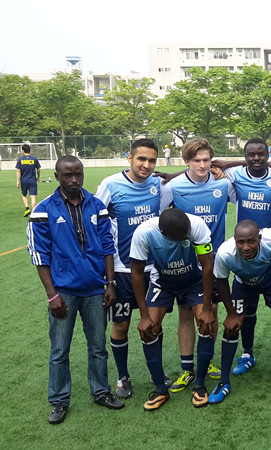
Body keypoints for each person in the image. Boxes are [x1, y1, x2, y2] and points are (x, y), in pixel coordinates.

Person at [27, 155, 125, 424]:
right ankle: (59, 400)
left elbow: (108, 246)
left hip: (95, 290)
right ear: (57, 176)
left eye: (78, 174)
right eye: (68, 175)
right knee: (60, 350)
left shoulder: (97, 205)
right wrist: (52, 295)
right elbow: (39, 256)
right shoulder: (43, 210)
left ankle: (101, 392)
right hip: (64, 293)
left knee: (98, 346)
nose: (74, 180)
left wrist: (110, 283)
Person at [210, 219, 271, 404]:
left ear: (260, 238)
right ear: (234, 240)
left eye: (251, 241)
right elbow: (222, 282)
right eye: (241, 242)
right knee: (232, 326)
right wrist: (231, 314)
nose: (246, 247)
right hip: (244, 280)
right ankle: (225, 379)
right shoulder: (225, 253)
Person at [96, 139, 167, 399]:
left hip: (153, 268)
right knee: (122, 325)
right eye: (141, 159)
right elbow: (96, 221)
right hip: (122, 271)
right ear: (130, 158)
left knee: (154, 323)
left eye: (152, 160)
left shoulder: (158, 184)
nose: (147, 165)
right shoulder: (110, 184)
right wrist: (106, 274)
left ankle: (156, 373)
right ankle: (123, 376)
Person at [160, 138, 231, 393]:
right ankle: (187, 368)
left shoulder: (223, 183)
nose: (202, 165)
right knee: (185, 313)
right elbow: (161, 220)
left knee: (211, 311)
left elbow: (245, 198)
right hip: (185, 262)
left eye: (206, 160)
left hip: (214, 260)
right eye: (197, 160)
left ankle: (207, 360)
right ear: (187, 162)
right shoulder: (174, 186)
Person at [130, 208, 217, 410]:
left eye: (186, 235)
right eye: (180, 238)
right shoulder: (144, 232)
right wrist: (143, 316)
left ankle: (200, 384)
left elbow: (207, 264)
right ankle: (161, 389)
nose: (186, 238)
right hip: (163, 282)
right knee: (148, 330)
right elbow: (136, 272)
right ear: (163, 233)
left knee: (206, 324)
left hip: (193, 281)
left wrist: (207, 309)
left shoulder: (197, 225)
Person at [16, 143, 41, 217]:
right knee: (33, 196)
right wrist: (38, 177)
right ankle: (33, 212)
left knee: (24, 195)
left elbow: (18, 171)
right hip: (32, 180)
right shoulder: (34, 159)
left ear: (23, 151)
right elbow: (38, 169)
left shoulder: (20, 160)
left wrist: (18, 181)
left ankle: (27, 209)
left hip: (24, 180)